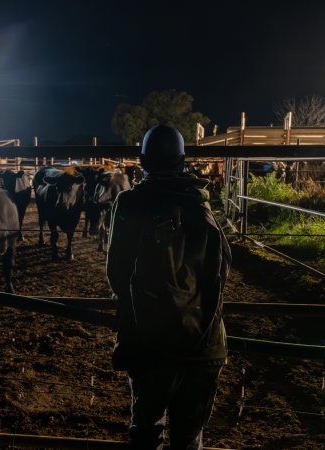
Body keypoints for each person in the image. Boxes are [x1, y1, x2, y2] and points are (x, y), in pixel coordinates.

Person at [106, 124, 231, 450]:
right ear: (183, 161)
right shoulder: (201, 204)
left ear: (142, 160)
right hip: (204, 344)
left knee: (147, 434)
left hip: (149, 344)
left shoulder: (131, 203)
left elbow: (117, 275)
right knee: (188, 440)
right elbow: (219, 274)